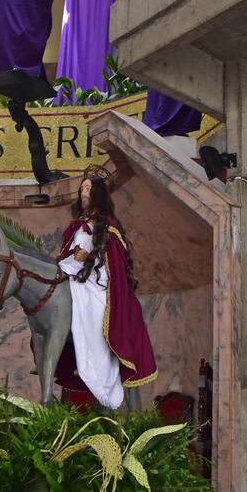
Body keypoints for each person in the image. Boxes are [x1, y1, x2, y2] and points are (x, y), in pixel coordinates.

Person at [55, 165, 157, 408]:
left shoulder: (109, 225)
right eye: (82, 188)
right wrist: (70, 261)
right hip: (75, 277)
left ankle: (98, 369)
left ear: (98, 193)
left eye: (88, 188)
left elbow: (112, 261)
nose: (83, 192)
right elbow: (67, 256)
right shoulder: (76, 226)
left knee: (90, 311)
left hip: (98, 285)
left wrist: (87, 259)